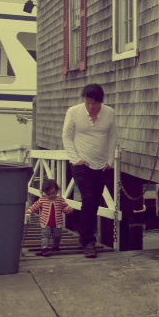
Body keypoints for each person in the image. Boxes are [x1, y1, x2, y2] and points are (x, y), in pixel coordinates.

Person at [62, 83, 118, 258]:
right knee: (89, 199)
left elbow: (112, 137)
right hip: (81, 164)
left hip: (101, 165)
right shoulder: (73, 112)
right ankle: (88, 241)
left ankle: (84, 237)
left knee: (94, 202)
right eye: (88, 102)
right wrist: (75, 159)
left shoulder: (109, 113)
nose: (91, 107)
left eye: (94, 103)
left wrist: (109, 160)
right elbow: (67, 136)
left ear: (101, 101)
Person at [25, 179, 74, 257]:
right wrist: (29, 211)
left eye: (53, 193)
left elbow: (64, 207)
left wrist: (68, 210)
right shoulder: (42, 200)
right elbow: (35, 206)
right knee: (45, 236)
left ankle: (55, 246)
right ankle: (45, 248)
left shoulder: (60, 200)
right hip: (45, 223)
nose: (51, 195)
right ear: (44, 193)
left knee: (57, 236)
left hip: (57, 223)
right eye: (48, 194)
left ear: (57, 191)